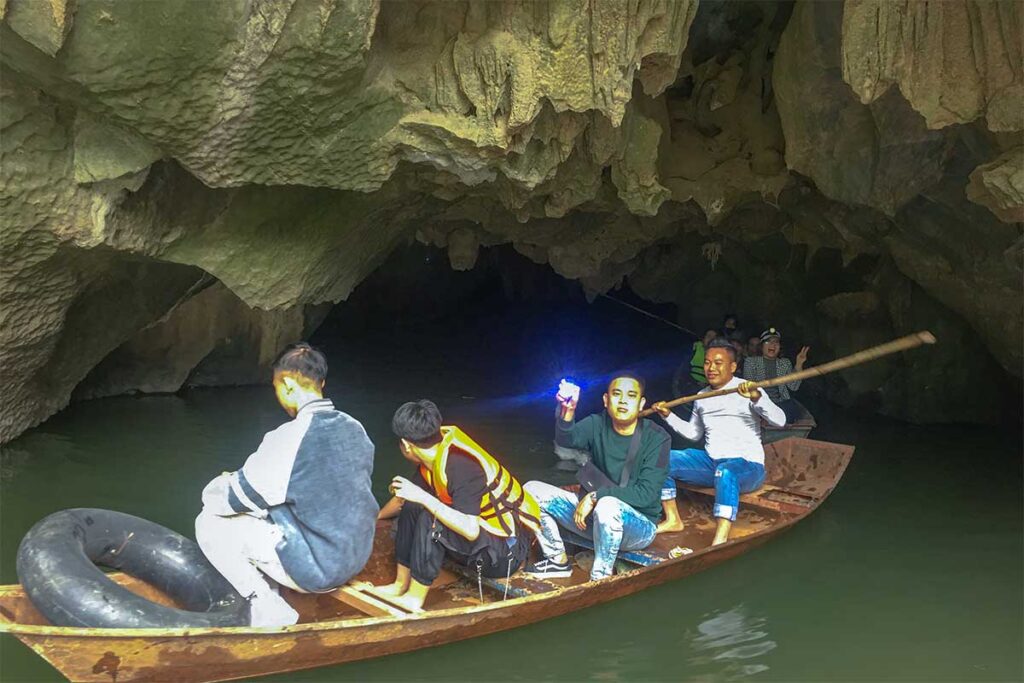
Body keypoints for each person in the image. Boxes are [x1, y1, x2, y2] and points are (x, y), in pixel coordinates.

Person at [195, 343, 378, 627]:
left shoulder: (290, 438)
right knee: (267, 507)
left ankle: (266, 607)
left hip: (319, 570)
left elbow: (231, 499)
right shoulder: (356, 428)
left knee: (209, 522)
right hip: (356, 557)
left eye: (276, 387)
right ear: (322, 383)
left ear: (289, 384)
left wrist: (218, 484)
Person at [372, 400, 541, 610]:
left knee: (428, 515)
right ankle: (400, 584)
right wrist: (376, 518)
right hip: (483, 544)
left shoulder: (462, 467)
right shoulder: (431, 461)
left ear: (407, 444)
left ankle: (414, 598)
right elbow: (402, 500)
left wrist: (424, 498)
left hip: (505, 554)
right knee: (413, 506)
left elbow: (470, 530)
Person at [523, 373, 670, 580]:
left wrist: (595, 496)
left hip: (639, 527)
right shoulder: (596, 424)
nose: (623, 401)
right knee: (531, 491)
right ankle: (557, 560)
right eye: (616, 394)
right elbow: (566, 440)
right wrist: (568, 410)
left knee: (607, 505)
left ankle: (600, 577)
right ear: (606, 400)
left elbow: (646, 494)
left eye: (631, 396)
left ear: (641, 403)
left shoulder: (658, 438)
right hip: (594, 520)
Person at [653, 339, 786, 545]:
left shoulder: (748, 390)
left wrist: (757, 398)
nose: (711, 368)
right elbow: (693, 434)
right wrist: (668, 415)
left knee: (726, 472)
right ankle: (673, 519)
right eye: (707, 363)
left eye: (718, 362)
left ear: (732, 367)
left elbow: (780, 421)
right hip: (711, 463)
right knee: (662, 459)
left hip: (748, 467)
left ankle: (720, 539)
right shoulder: (702, 396)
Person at [742, 328, 810, 424]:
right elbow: (750, 387)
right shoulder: (751, 362)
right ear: (761, 346)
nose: (772, 345)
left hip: (781, 404)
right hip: (760, 402)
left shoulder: (785, 363)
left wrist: (799, 364)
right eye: (768, 342)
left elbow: (794, 387)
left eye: (776, 342)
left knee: (792, 406)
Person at [672, 328, 717, 397]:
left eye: (714, 338)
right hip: (689, 385)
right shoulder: (694, 348)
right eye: (709, 336)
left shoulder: (718, 355)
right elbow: (681, 369)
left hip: (707, 388)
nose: (711, 340)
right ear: (703, 338)